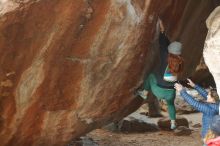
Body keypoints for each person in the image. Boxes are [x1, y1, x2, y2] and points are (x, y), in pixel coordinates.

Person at [137, 18, 184, 129]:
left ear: (169, 51)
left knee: (150, 76)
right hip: (171, 93)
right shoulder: (181, 62)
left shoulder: (165, 56)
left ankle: (144, 92)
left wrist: (162, 31)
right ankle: (173, 123)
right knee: (171, 105)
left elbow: (162, 42)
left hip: (159, 90)